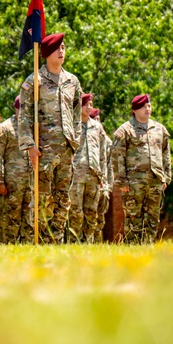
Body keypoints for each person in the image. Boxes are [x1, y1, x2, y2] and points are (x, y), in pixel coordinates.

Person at [17, 33, 84, 243]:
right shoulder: (34, 81)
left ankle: (56, 240)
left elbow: (77, 115)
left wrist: (75, 143)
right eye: (57, 48)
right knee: (42, 199)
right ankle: (41, 240)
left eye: (63, 47)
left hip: (65, 150)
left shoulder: (72, 81)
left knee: (63, 198)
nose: (61, 51)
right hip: (43, 150)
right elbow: (25, 115)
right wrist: (29, 145)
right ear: (46, 53)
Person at [112, 94, 172, 243]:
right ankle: (133, 251)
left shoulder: (159, 129)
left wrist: (166, 178)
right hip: (133, 184)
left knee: (152, 220)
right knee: (134, 220)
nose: (148, 109)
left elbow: (166, 154)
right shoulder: (125, 130)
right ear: (135, 110)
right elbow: (117, 156)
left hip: (155, 182)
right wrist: (121, 181)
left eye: (149, 106)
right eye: (144, 106)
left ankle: (147, 249)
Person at [0, 96, 34, 243]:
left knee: (29, 219)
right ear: (16, 108)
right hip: (12, 183)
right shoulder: (5, 128)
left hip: (30, 182)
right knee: (11, 219)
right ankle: (9, 247)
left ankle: (27, 248)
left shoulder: (32, 128)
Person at [68, 94, 108, 242]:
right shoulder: (72, 126)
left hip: (93, 176)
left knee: (91, 213)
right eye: (86, 104)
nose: (89, 107)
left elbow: (103, 153)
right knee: (76, 213)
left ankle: (87, 243)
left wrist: (102, 176)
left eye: (91, 104)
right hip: (76, 176)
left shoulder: (97, 127)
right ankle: (74, 243)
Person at [91, 108, 112, 242]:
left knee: (99, 219)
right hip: (89, 181)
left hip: (103, 185)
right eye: (95, 119)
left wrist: (108, 185)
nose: (98, 121)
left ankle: (97, 244)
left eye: (99, 119)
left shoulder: (107, 142)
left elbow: (109, 165)